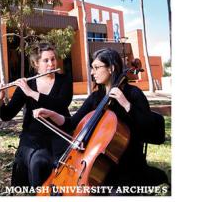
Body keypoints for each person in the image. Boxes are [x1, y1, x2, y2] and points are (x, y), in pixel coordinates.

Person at [33, 48, 164, 195]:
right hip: (97, 165)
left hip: (127, 164)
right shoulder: (96, 98)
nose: (91, 72)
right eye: (92, 68)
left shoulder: (133, 94)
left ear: (111, 68)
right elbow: (72, 123)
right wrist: (51, 114)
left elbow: (149, 129)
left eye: (96, 68)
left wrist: (126, 104)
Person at [0, 43, 73, 190]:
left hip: (59, 132)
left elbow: (61, 104)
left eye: (53, 59)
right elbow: (7, 115)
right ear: (36, 64)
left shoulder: (64, 80)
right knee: (38, 162)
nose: (51, 64)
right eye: (46, 61)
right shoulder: (27, 84)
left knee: (63, 164)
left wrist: (31, 93)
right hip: (33, 136)